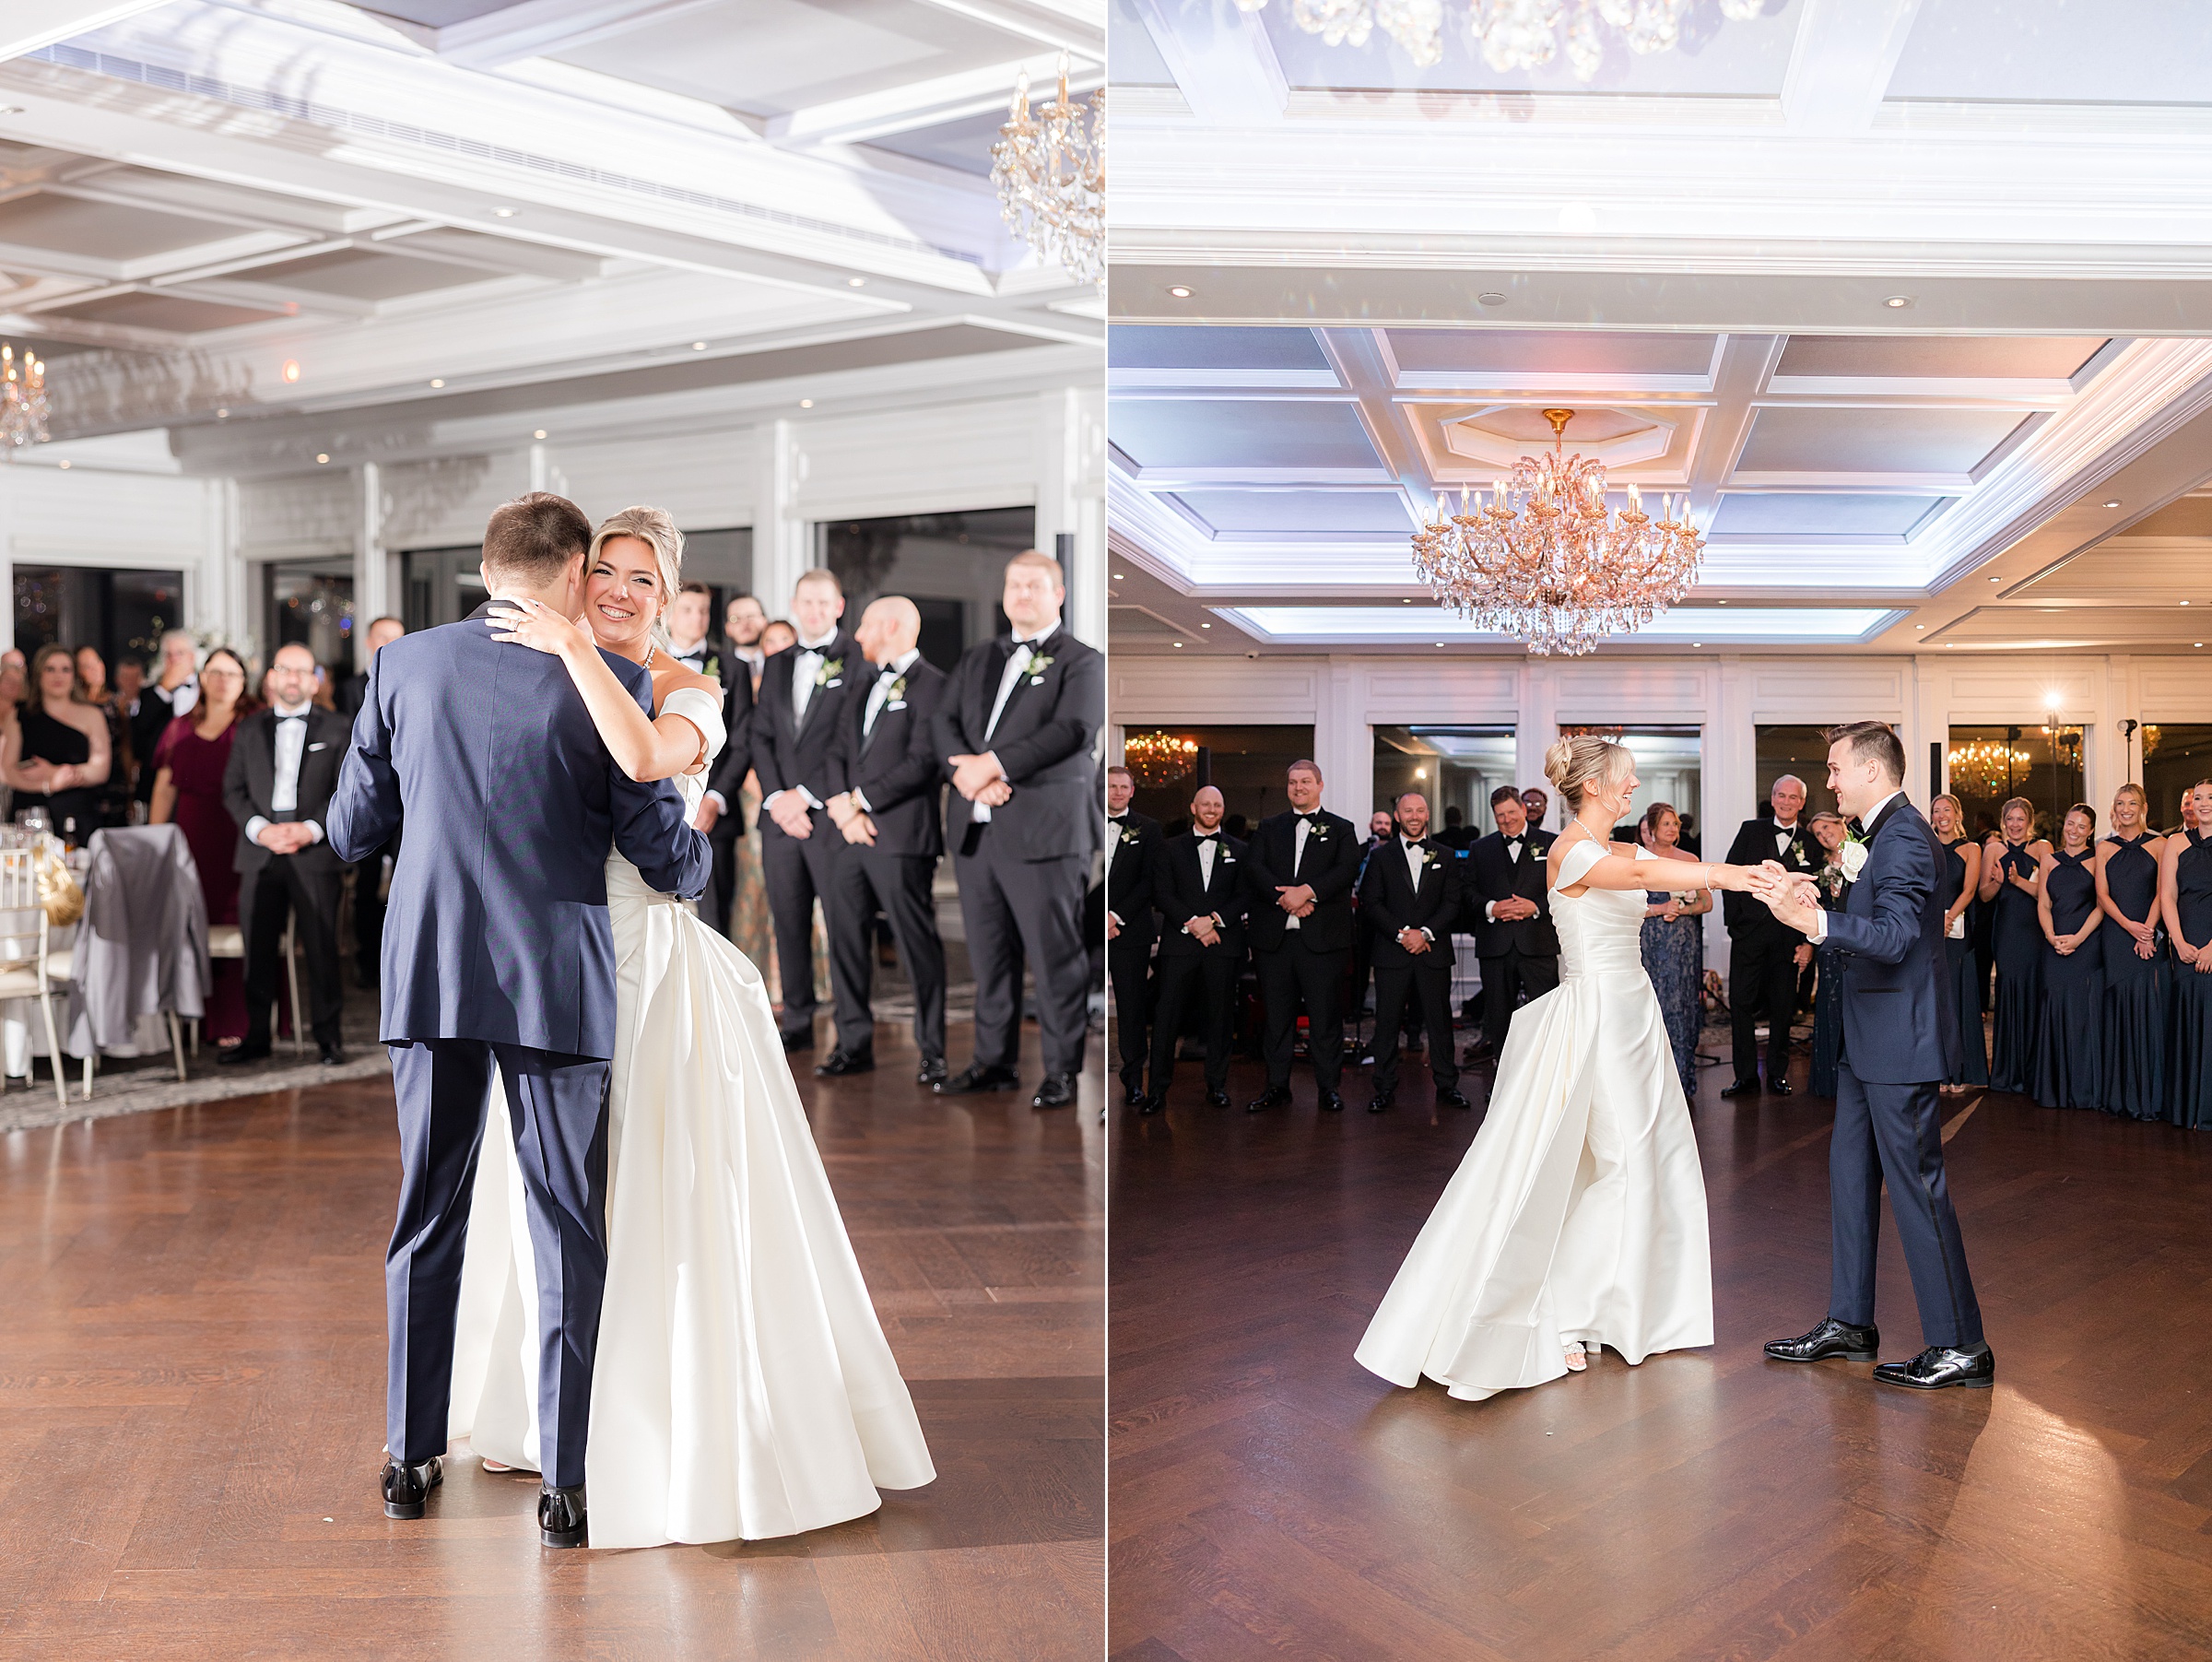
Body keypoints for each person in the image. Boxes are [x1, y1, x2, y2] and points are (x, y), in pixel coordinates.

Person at [460, 503, 933, 1546]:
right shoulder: (545, 672)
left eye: (644, 580)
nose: (620, 592)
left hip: (648, 965)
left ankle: (662, 1412)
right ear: (576, 577)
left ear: (671, 600)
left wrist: (572, 648)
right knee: (553, 1187)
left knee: (653, 1182)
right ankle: (542, 1408)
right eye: (604, 573)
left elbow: (641, 761)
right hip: (548, 967)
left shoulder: (692, 691)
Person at [327, 493, 717, 1548]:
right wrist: (702, 839)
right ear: (577, 570)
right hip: (555, 982)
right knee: (565, 1226)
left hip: (431, 975)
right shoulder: (613, 683)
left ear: (485, 566)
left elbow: (351, 830)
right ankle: (567, 1485)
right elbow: (666, 858)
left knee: (427, 1216)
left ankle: (409, 1459)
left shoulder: (402, 666)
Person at [1359, 737, 1750, 1399]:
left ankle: (1622, 1308)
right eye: (1626, 777)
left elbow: (1660, 865)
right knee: (1617, 1160)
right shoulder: (1571, 852)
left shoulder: (1616, 847)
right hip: (1596, 1018)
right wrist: (1731, 876)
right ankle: (1565, 1309)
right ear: (1595, 785)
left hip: (1635, 1014)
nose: (1634, 787)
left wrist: (1761, 875)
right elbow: (1642, 877)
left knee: (1644, 1157)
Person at [1758, 724, 1990, 1389]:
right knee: (1850, 1176)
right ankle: (1851, 1321)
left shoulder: (1907, 836)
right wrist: (1820, 900)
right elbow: (1876, 916)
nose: (1828, 782)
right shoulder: (1879, 835)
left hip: (1899, 1042)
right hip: (1867, 1042)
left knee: (1917, 1188)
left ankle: (1961, 1344)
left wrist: (1815, 924)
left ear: (1871, 770)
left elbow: (1893, 937)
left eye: (1835, 769)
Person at [935, 550, 1104, 1112]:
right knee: (989, 957)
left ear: (1059, 594)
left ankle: (1061, 1071)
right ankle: (994, 1062)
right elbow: (943, 721)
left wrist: (993, 766)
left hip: (1045, 834)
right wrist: (967, 776)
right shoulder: (980, 656)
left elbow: (1073, 730)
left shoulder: (1084, 661)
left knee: (1055, 959)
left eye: (1034, 585)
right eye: (1014, 584)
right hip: (978, 829)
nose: (1022, 594)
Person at [819, 595, 949, 1082]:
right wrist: (842, 807)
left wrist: (860, 801)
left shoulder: (934, 685)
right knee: (846, 941)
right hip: (847, 834)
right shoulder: (861, 681)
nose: (857, 635)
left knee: (917, 944)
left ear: (891, 626)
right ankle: (853, 1044)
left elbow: (923, 761)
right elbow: (835, 748)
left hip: (901, 837)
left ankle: (933, 1050)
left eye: (866, 625)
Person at [218, 643, 352, 1067]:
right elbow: (233, 790)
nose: (292, 678)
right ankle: (257, 1035)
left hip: (315, 853)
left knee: (321, 949)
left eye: (302, 671)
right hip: (260, 852)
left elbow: (347, 791)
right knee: (258, 950)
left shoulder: (340, 727)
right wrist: (261, 830)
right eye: (285, 669)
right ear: (272, 677)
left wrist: (310, 828)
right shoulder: (248, 728)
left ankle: (329, 1039)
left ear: (315, 681)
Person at [750, 571, 863, 1051]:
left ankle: (853, 1032)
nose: (814, 611)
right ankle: (796, 1021)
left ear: (838, 606)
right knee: (788, 921)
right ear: (795, 606)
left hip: (831, 814)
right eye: (807, 602)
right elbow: (761, 735)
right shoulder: (777, 663)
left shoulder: (858, 659)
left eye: (823, 603)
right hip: (780, 819)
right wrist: (777, 798)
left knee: (845, 925)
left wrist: (807, 794)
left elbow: (851, 739)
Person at [149, 646, 253, 1046]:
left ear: (243, 682)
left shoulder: (254, 724)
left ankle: (236, 1019)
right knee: (191, 921)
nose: (223, 681)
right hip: (191, 841)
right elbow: (164, 788)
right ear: (202, 679)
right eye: (215, 673)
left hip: (240, 837)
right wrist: (157, 840)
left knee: (238, 922)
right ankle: (192, 1015)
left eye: (231, 674)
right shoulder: (180, 727)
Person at [1243, 760, 1359, 1115]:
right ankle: (1276, 1087)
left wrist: (1307, 892)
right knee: (1277, 1018)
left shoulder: (1341, 829)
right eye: (1293, 782)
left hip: (1323, 940)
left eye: (1306, 781)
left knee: (1325, 1018)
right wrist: (1286, 899)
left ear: (1320, 785)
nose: (1299, 788)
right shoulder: (1268, 826)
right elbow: (1254, 868)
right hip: (1274, 940)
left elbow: (1346, 870)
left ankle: (1329, 1088)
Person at [1359, 791, 1467, 1114]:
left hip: (1433, 950)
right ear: (1397, 816)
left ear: (1428, 814)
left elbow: (1453, 901)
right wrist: (1402, 934)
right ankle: (1384, 1087)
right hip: (1392, 952)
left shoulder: (1445, 855)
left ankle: (1447, 1085)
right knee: (1386, 1023)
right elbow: (1370, 902)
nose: (1415, 816)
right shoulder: (1381, 856)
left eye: (1420, 810)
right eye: (1408, 811)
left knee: (1440, 1022)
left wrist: (1426, 933)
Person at [1142, 784, 1246, 1113]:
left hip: (1221, 944)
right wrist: (1193, 923)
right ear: (1193, 808)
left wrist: (1212, 921)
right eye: (1206, 804)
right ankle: (1156, 1090)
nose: (1212, 809)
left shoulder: (1240, 849)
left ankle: (1217, 1086)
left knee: (1220, 1019)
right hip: (1180, 944)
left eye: (1217, 804)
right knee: (1166, 1019)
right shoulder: (1169, 848)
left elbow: (1244, 895)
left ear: (1223, 809)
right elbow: (1162, 893)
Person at [1720, 775, 1818, 1097]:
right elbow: (1730, 874)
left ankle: (1777, 1074)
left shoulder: (1810, 842)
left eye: (1793, 797)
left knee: (1783, 1007)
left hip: (1787, 939)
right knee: (1741, 1003)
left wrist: (1807, 941)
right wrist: (1735, 924)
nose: (1786, 802)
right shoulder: (1751, 830)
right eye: (1781, 795)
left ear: (1801, 802)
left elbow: (1815, 896)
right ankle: (1745, 1077)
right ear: (1773, 798)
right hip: (1748, 935)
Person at [1465, 784, 1559, 1067]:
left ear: (1523, 809)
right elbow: (1467, 892)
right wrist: (1491, 908)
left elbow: (1564, 889)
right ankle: (1504, 1077)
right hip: (1495, 945)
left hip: (1538, 943)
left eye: (1511, 812)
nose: (1507, 820)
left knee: (1546, 1013)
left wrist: (1536, 907)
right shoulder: (1480, 848)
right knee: (1499, 1017)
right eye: (1500, 815)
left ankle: (1547, 1075)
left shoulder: (1552, 843)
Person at [2095, 783, 2167, 1120]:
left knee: (2149, 1011)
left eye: (2132, 803)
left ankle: (2150, 1097)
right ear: (2114, 809)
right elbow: (2102, 896)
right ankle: (2120, 1096)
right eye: (2120, 803)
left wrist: (2146, 931)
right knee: (2119, 1011)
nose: (2126, 809)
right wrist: (2130, 928)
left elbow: (2163, 892)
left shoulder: (2160, 844)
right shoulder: (2104, 848)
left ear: (2143, 808)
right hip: (2116, 936)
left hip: (2150, 936)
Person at [2030, 803, 2105, 1112]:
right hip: (2053, 943)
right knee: (2054, 1007)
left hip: (2086, 944)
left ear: (2091, 831)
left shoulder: (2098, 859)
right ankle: (2054, 1090)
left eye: (2081, 826)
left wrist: (2078, 939)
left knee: (2082, 1012)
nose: (2074, 830)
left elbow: (2101, 905)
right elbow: (2043, 903)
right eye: (2070, 823)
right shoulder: (2049, 860)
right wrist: (2050, 936)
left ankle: (2083, 1090)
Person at [6, 642, 111, 843]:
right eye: (50, 669)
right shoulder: (18, 714)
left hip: (77, 817)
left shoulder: (92, 714)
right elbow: (9, 770)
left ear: (74, 675)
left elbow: (101, 769)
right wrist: (48, 785)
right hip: (30, 816)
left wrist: (56, 773)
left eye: (65, 669)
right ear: (39, 674)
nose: (58, 676)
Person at [1640, 801, 1711, 1100]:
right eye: (1666, 824)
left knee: (1683, 1007)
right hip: (1651, 942)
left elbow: (1706, 902)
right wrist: (1660, 909)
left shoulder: (1689, 859)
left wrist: (1682, 909)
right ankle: (1650, 1085)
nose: (1672, 829)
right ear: (1652, 828)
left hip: (1684, 944)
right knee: (1653, 1006)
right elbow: (1626, 907)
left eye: (1675, 824)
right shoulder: (1639, 859)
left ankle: (1681, 1081)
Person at [1980, 796, 2046, 1094]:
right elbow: (1984, 895)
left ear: (2029, 821)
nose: (2015, 824)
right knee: (2007, 994)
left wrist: (2017, 881)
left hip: (2034, 931)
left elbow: (2047, 893)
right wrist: (1997, 881)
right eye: (2010, 819)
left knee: (2034, 993)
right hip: (2006, 932)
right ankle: (2007, 1072)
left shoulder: (2042, 848)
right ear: (2003, 822)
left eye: (2020, 819)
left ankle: (2033, 1072)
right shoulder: (1993, 849)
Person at [1105, 765, 1160, 1108]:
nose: (1117, 792)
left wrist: (1114, 917)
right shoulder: (1083, 820)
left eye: (1123, 787)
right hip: (1085, 929)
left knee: (1131, 1009)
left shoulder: (1149, 829)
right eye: (1112, 786)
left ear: (1132, 791)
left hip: (1130, 931)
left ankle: (1133, 1081)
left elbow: (1149, 881)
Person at [1928, 793, 1988, 1094]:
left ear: (1958, 815)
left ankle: (1960, 1071)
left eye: (1947, 810)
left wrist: (1948, 918)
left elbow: (1970, 890)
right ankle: (1937, 1071)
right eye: (1936, 811)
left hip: (1958, 932)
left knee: (1957, 1000)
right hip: (1929, 931)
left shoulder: (1971, 848)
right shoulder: (1926, 846)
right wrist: (1933, 921)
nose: (1942, 816)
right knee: (1934, 1000)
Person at [2161, 778, 2212, 1129]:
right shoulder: (2175, 843)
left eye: (2210, 798)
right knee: (2188, 1022)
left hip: (2211, 944)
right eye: (2198, 798)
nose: (2204, 803)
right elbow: (2167, 895)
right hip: (2185, 946)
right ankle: (2188, 1109)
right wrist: (2178, 942)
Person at [1804, 810, 1851, 1098]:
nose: (1823, 836)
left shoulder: (1861, 854)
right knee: (1830, 1000)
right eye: (1818, 834)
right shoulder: (1820, 866)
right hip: (1828, 941)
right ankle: (1831, 1078)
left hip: (1856, 937)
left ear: (1838, 823)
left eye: (1825, 828)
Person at [132, 629, 198, 811]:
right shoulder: (150, 694)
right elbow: (139, 733)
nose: (174, 659)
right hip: (157, 783)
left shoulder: (207, 690)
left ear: (192, 657)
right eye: (168, 655)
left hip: (198, 777)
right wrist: (164, 689)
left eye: (179, 653)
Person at [339, 617, 404, 720]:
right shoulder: (350, 689)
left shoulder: (413, 685)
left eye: (396, 638)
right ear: (368, 641)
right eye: (383, 637)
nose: (390, 643)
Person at [665, 580, 715, 675]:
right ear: (668, 616)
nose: (697, 618)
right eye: (687, 610)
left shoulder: (733, 666)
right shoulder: (648, 662)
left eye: (703, 611)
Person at [724, 591, 769, 681]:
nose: (744, 623)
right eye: (735, 619)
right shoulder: (721, 667)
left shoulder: (781, 663)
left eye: (751, 616)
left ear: (765, 621)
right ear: (727, 628)